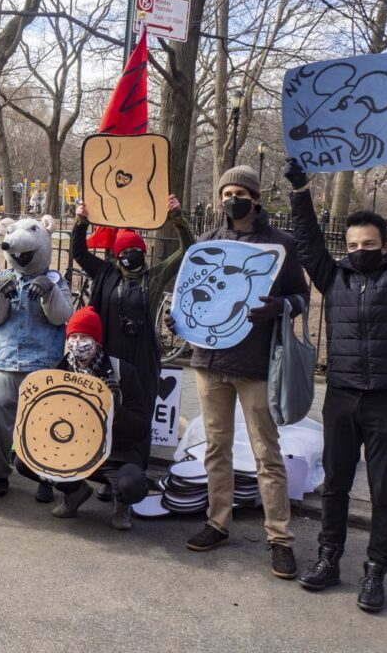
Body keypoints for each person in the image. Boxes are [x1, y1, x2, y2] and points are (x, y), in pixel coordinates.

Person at [284, 140, 387, 612]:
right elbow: (308, 242)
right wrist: (299, 191)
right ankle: (329, 559)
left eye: (369, 244)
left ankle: (376, 572)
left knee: (384, 489)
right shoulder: (335, 278)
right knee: (336, 486)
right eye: (353, 245)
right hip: (343, 396)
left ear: (384, 245)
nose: (360, 250)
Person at [166, 165, 308, 579]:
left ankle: (279, 539)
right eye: (226, 191)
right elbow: (188, 293)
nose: (232, 198)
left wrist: (279, 308)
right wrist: (180, 320)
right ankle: (217, 522)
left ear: (255, 198)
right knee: (216, 448)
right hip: (209, 364)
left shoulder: (279, 246)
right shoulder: (208, 243)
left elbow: (301, 296)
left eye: (240, 192)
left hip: (255, 366)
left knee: (267, 453)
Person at [72, 194, 194, 499]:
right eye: (123, 251)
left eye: (135, 250)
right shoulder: (105, 274)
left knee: (138, 415)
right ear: (116, 254)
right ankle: (105, 473)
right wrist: (80, 221)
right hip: (110, 355)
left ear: (144, 252)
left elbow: (187, 250)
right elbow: (77, 251)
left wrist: (177, 218)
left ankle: (131, 475)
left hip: (141, 359)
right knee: (103, 411)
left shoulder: (153, 278)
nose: (129, 255)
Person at [13, 307, 151, 529]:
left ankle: (122, 504)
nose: (78, 343)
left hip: (115, 454)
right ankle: (74, 492)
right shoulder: (59, 371)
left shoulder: (123, 372)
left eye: (85, 337)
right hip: (71, 449)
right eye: (73, 337)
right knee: (24, 461)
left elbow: (142, 429)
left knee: (132, 484)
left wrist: (117, 410)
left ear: (97, 341)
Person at [0, 216, 73, 496]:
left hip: (43, 364)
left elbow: (61, 317)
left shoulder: (56, 280)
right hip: (5, 362)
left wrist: (50, 291)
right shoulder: (1, 278)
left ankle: (45, 479)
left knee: (45, 424)